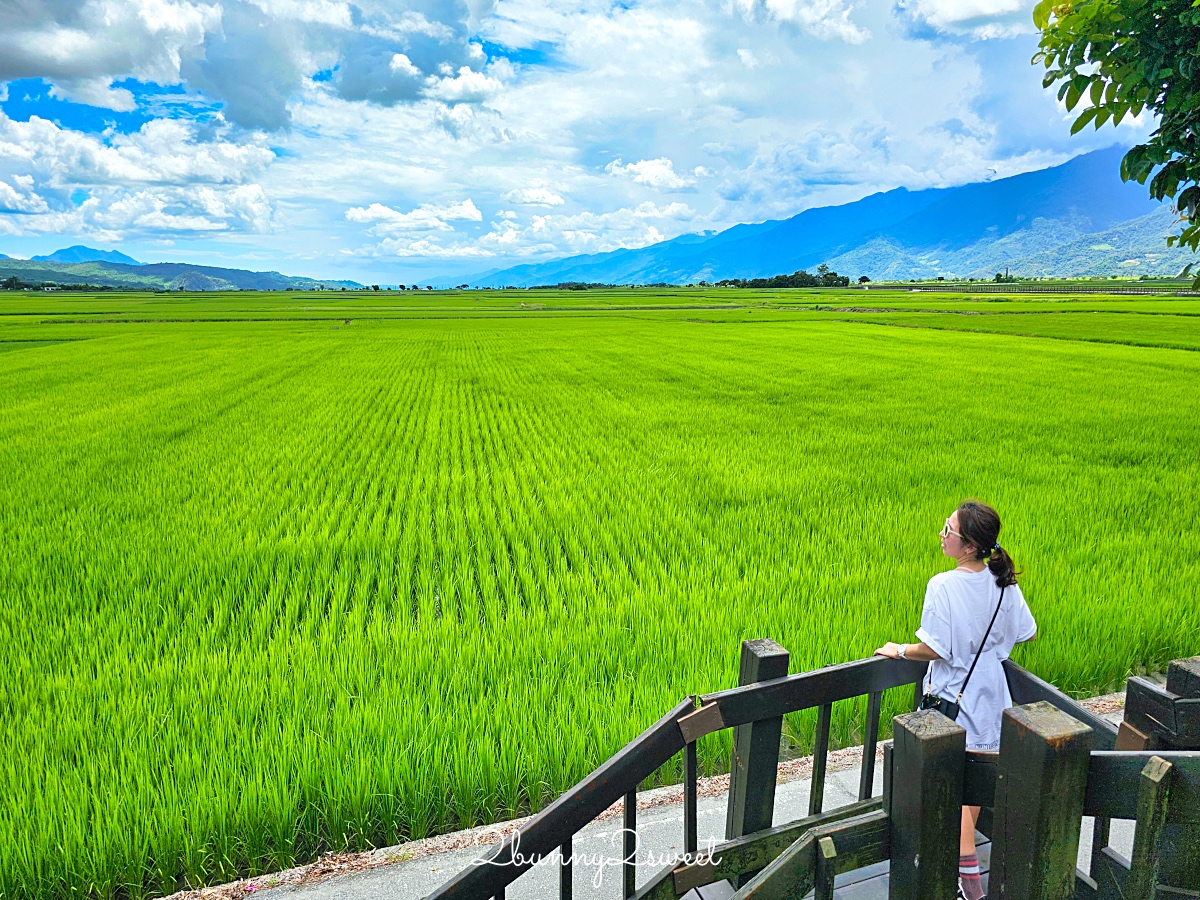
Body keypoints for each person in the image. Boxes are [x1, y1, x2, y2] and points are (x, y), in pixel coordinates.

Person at [874, 500, 1036, 900]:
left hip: (954, 699)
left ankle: (970, 886)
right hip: (991, 695)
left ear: (967, 546)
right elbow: (1026, 632)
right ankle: (965, 880)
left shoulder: (943, 585)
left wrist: (899, 650)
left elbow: (935, 649)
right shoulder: (1004, 582)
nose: (942, 534)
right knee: (973, 790)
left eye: (948, 530)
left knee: (951, 788)